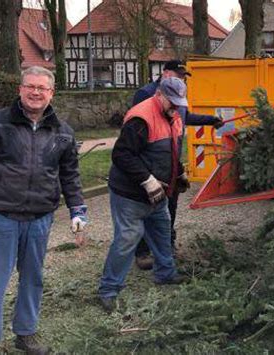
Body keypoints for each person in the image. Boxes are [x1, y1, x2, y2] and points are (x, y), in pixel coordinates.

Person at [0, 66, 87, 354]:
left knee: (33, 278)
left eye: (42, 88)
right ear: (20, 89)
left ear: (52, 93)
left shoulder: (63, 132)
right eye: (30, 86)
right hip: (2, 216)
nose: (36, 92)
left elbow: (69, 174)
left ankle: (25, 333)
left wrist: (78, 210)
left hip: (40, 218)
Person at [98, 77, 188, 313]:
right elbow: (122, 155)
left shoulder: (175, 115)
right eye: (172, 101)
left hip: (158, 194)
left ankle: (165, 274)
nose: (176, 106)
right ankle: (109, 289)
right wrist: (147, 180)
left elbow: (171, 150)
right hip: (130, 194)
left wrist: (178, 174)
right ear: (159, 94)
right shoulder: (141, 118)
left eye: (179, 102)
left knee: (161, 232)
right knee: (128, 238)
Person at [133, 60, 224, 270]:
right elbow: (135, 128)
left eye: (183, 76)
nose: (181, 79)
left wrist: (210, 120)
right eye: (178, 74)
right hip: (151, 162)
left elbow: (185, 116)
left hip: (172, 161)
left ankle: (166, 245)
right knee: (148, 207)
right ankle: (142, 251)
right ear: (165, 73)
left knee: (170, 207)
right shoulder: (145, 94)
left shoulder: (178, 93)